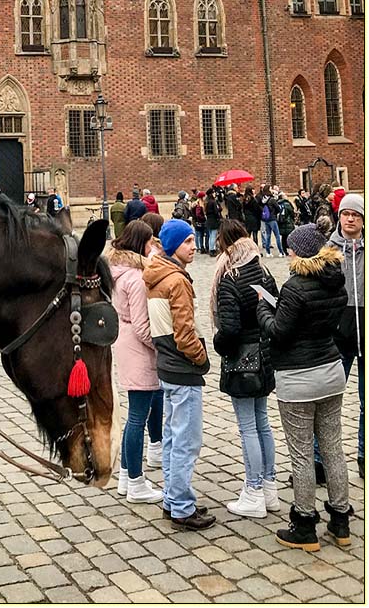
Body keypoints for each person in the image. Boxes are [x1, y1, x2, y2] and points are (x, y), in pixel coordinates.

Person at [257, 224, 352, 551]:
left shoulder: (295, 287)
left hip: (298, 379)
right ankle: (341, 522)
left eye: (291, 248)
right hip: (331, 371)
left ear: (301, 252)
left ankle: (305, 524)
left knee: (301, 454)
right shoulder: (336, 283)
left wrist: (263, 307)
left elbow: (278, 332)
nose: (288, 252)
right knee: (333, 447)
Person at [144, 219, 216, 530]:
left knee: (173, 438)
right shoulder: (177, 281)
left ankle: (173, 499)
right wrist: (201, 358)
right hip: (182, 367)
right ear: (174, 246)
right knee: (186, 440)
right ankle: (183, 508)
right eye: (187, 242)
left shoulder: (156, 276)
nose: (193, 246)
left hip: (166, 365)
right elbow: (185, 332)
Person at [210, 219, 280, 517]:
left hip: (242, 362)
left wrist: (218, 344)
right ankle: (270, 487)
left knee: (248, 427)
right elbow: (276, 307)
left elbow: (229, 329)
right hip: (265, 357)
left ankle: (252, 491)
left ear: (226, 246)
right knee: (262, 422)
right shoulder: (263, 272)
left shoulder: (230, 278)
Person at [108, 220, 164, 504]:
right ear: (141, 244)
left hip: (123, 343)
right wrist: (162, 346)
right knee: (137, 417)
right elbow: (144, 328)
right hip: (139, 350)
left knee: (134, 415)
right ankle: (136, 483)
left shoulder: (116, 272)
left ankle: (127, 477)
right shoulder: (135, 278)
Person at [329, 193, 364, 479]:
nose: (350, 219)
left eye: (356, 215)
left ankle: (364, 454)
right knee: (328, 401)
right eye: (345, 214)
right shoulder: (328, 251)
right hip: (338, 332)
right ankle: (321, 460)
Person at [258, 186, 282, 257]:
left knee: (268, 235)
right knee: (277, 235)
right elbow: (278, 208)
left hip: (266, 219)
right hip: (272, 218)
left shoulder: (263, 199)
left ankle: (268, 252)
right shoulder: (272, 199)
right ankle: (281, 252)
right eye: (271, 189)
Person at [205, 188, 221, 256]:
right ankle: (212, 249)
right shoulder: (213, 202)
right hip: (214, 220)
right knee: (213, 235)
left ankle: (210, 248)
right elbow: (216, 212)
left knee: (211, 235)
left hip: (209, 220)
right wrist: (219, 211)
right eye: (214, 192)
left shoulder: (207, 202)